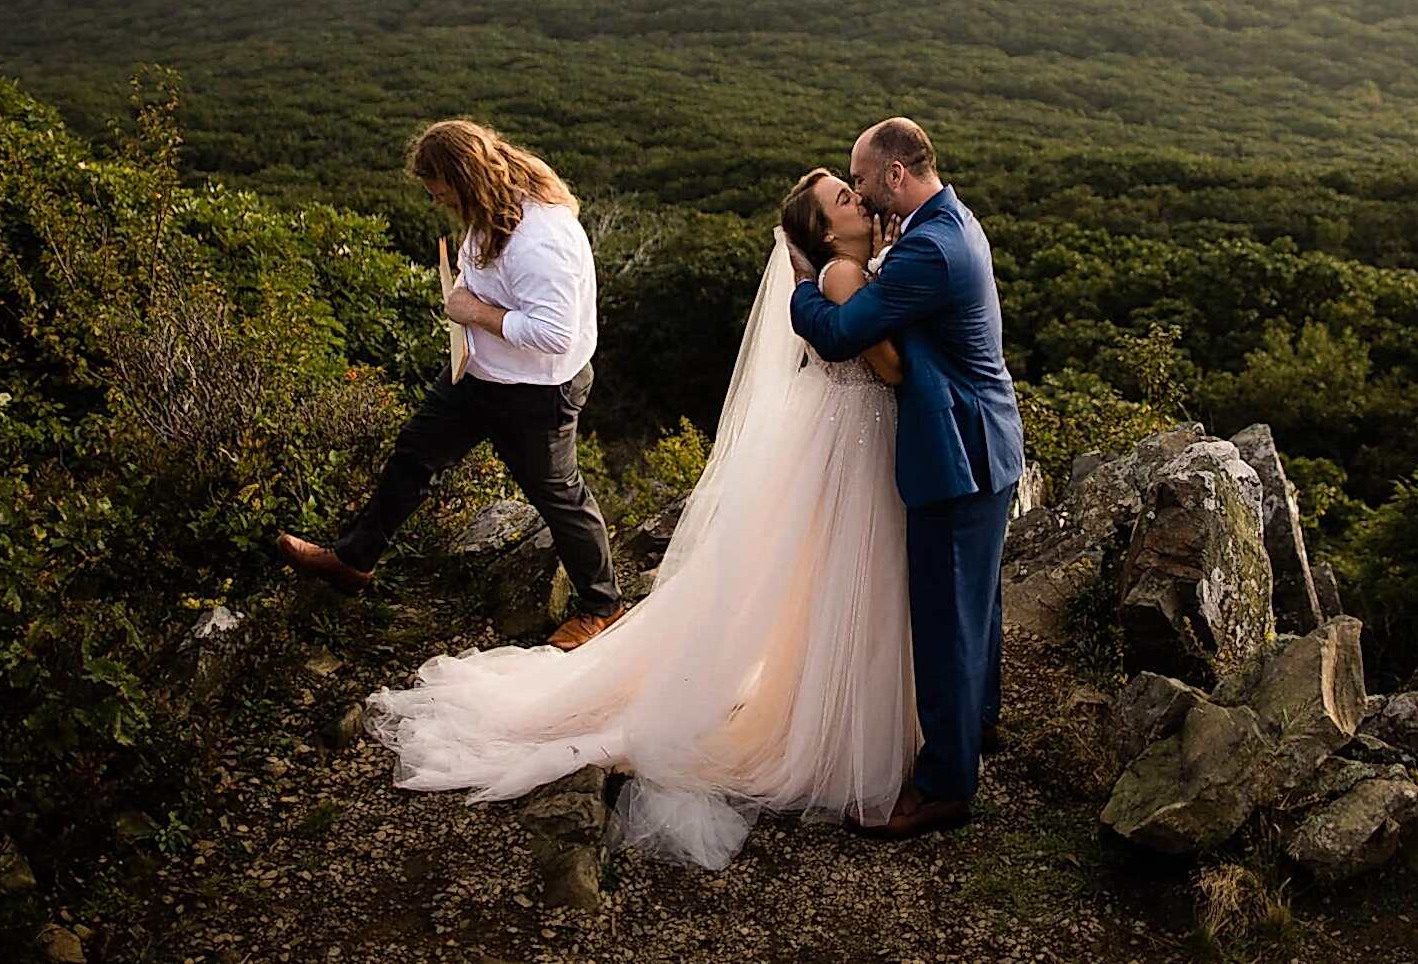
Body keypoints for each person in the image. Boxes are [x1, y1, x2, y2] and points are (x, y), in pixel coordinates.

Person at [359, 167, 915, 868]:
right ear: (828, 232)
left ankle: (826, 703)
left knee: (824, 580)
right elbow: (892, 367)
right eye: (845, 197)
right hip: (849, 440)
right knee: (843, 574)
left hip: (843, 435)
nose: (859, 199)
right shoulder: (844, 278)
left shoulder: (846, 269)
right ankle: (831, 719)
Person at [277, 118, 627, 652]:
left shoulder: (541, 239)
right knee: (415, 455)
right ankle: (352, 561)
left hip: (536, 391)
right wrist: (466, 289)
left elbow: (553, 334)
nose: (433, 196)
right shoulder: (494, 207)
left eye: (436, 187)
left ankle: (603, 607)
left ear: (463, 178)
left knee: (557, 497)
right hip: (476, 373)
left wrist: (471, 309)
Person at [787, 116, 1026, 839]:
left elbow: (836, 332)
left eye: (860, 179)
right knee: (975, 605)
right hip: (984, 442)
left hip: (957, 452)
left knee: (947, 621)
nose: (858, 190)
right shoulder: (950, 220)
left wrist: (800, 285)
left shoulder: (928, 250)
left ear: (894, 174)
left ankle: (945, 786)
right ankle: (977, 727)